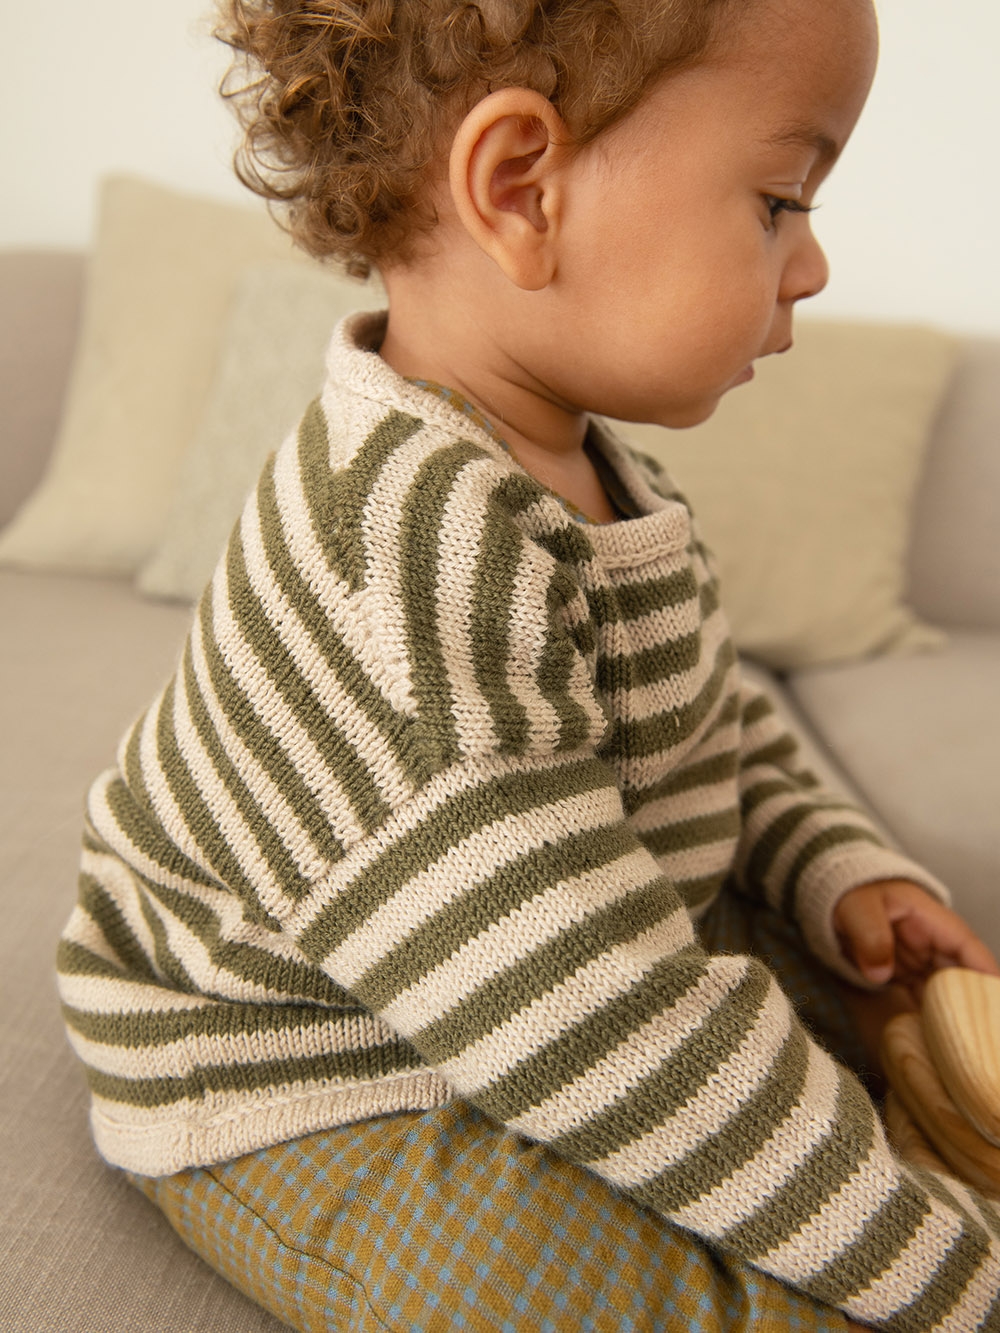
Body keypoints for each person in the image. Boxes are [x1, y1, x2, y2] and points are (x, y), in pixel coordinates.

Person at [57, 0, 1000, 1328]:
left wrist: (829, 861)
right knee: (563, 1281)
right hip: (317, 1066)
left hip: (541, 949)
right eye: (780, 203)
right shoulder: (405, 556)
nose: (814, 265)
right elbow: (598, 1012)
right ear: (521, 190)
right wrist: (945, 1267)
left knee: (808, 1022)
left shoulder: (591, 474)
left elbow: (705, 712)